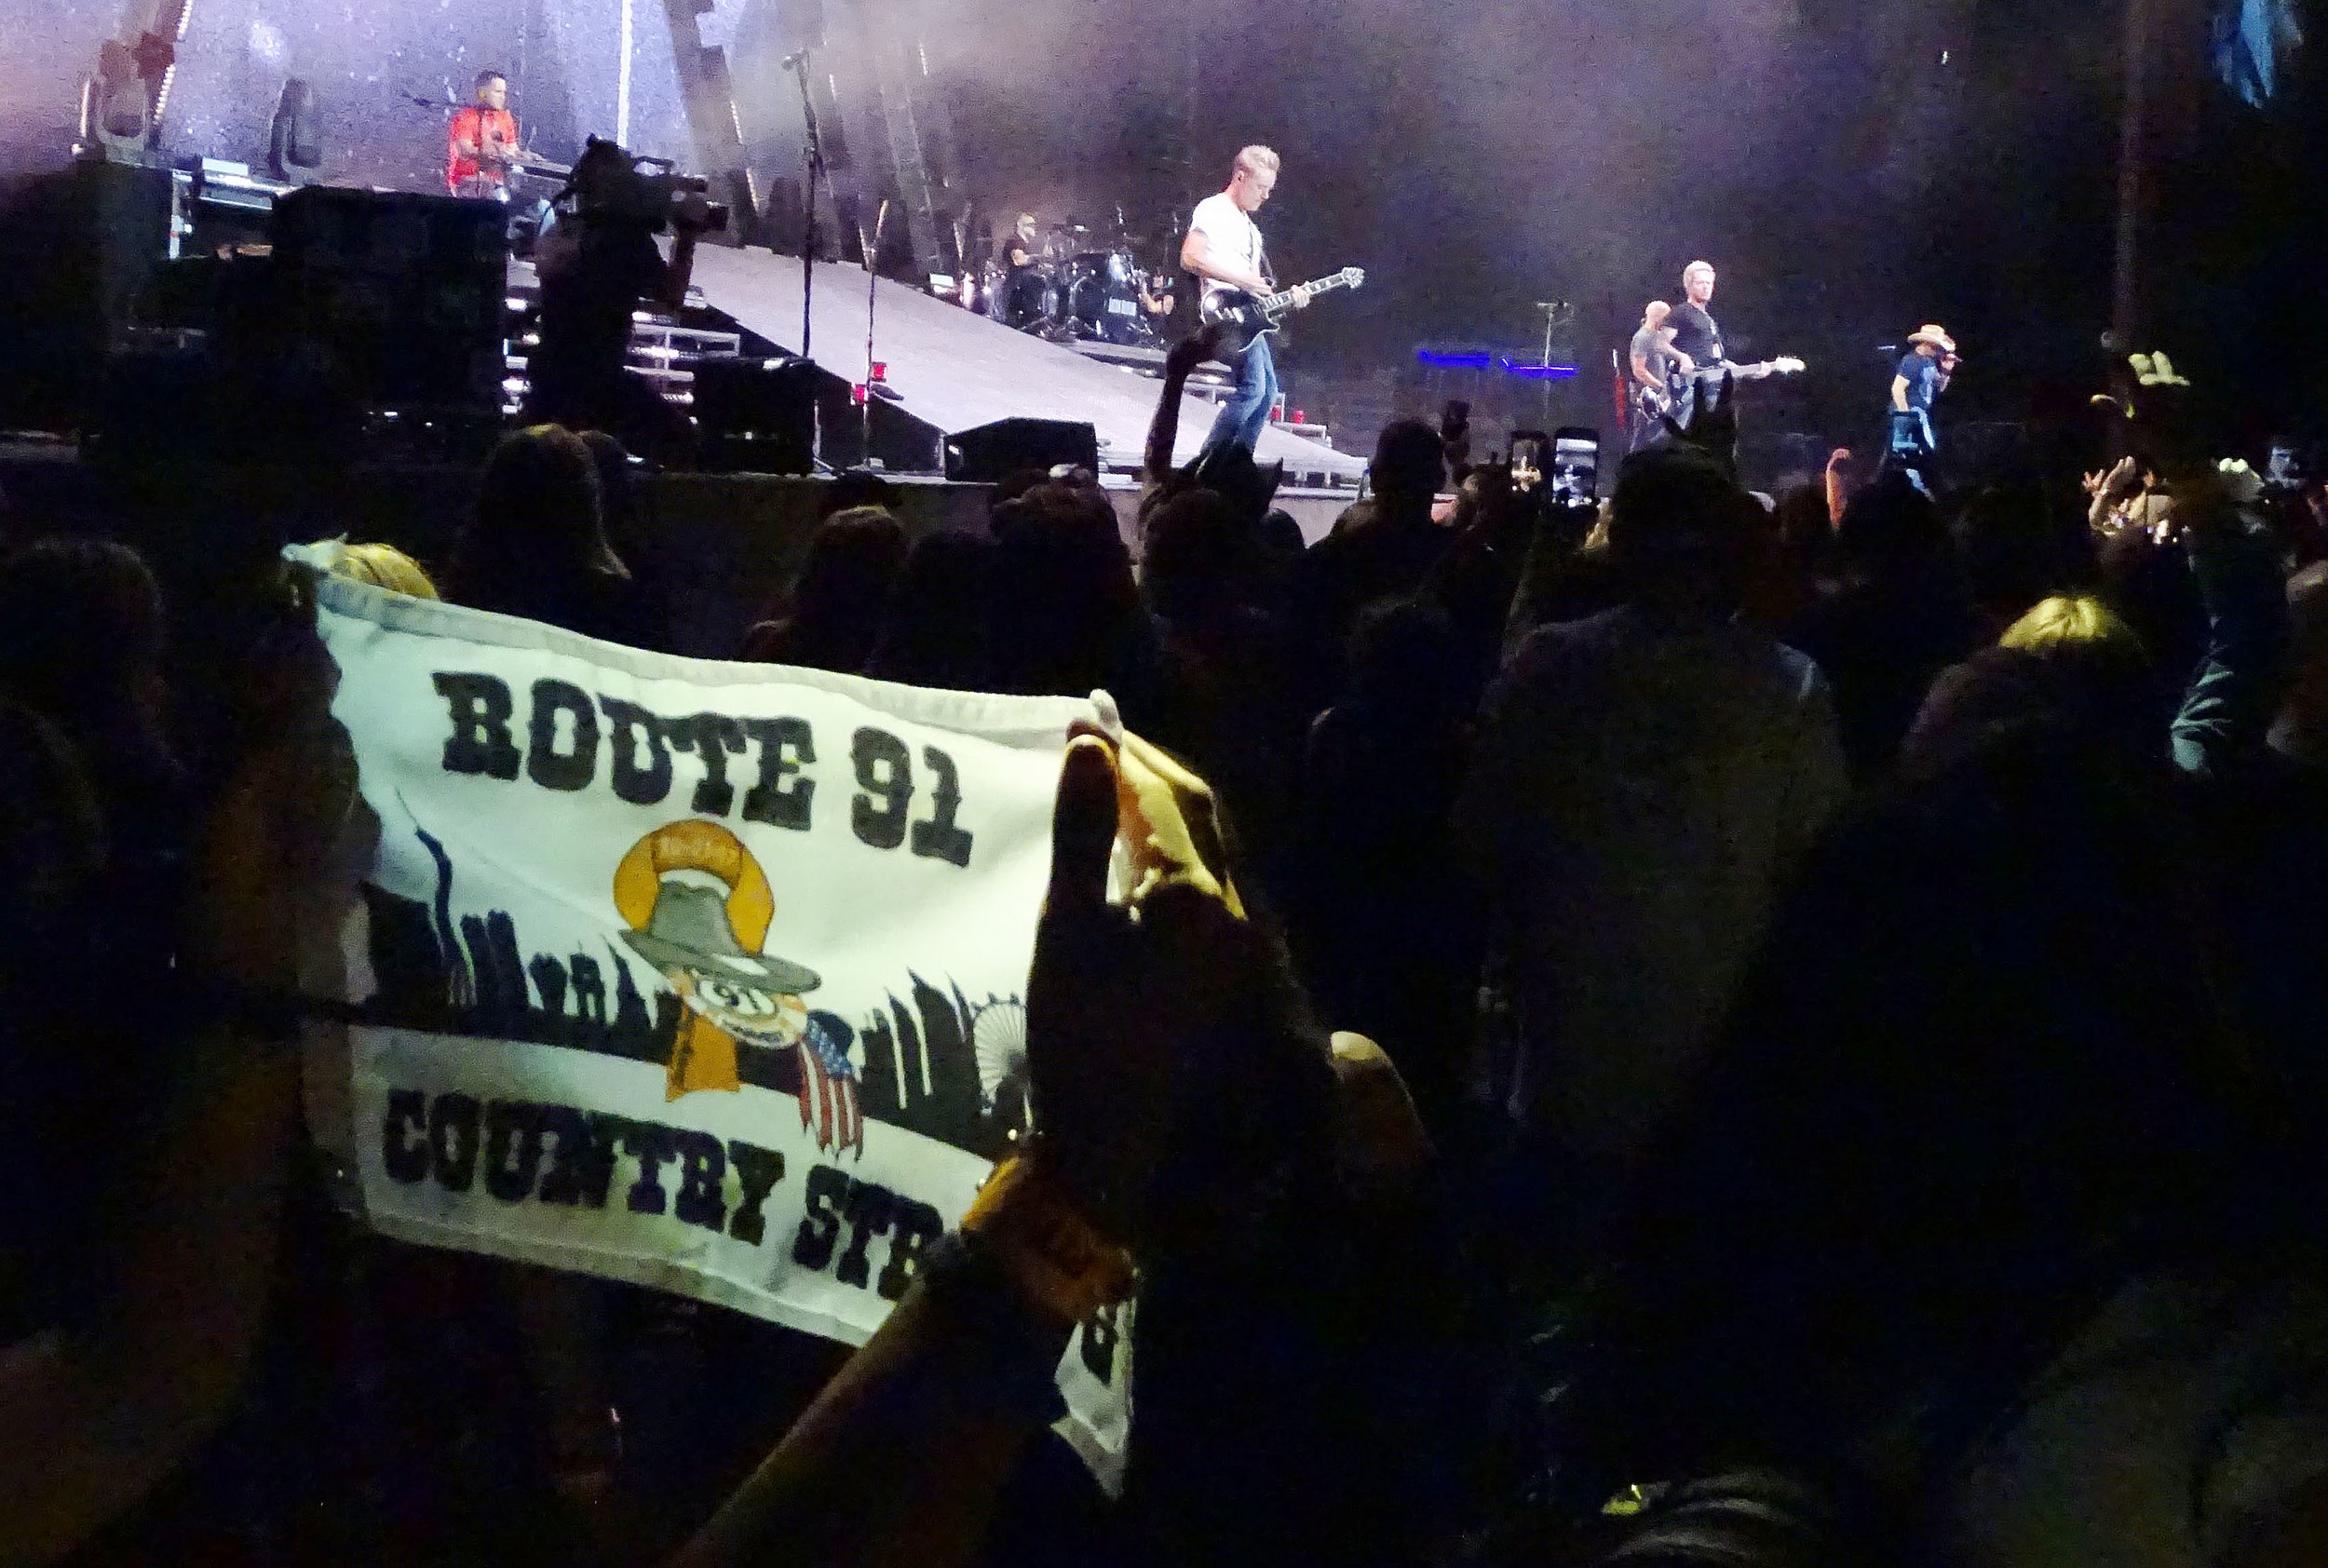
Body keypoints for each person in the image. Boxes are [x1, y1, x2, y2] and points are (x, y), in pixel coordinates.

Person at [1463, 444, 1848, 1237]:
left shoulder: (1549, 667)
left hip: (1563, 1066)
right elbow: (1819, 886)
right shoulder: (1790, 687)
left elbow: (1478, 842)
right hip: (1718, 1080)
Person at [524, 137, 709, 456]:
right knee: (687, 446)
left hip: (550, 387)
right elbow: (672, 295)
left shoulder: (565, 231)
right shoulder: (623, 241)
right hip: (599, 387)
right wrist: (688, 234)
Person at [1181, 145, 1309, 456]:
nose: (1265, 196)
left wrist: (1290, 299)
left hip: (1245, 314)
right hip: (1222, 310)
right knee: (1253, 390)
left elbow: (1258, 293)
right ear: (1240, 177)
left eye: (1270, 189)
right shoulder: (1213, 209)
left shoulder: (1252, 231)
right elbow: (1189, 257)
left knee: (1268, 395)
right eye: (1261, 187)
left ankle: (1238, 461)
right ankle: (1208, 462)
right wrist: (1239, 280)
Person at [1888, 323, 1958, 475]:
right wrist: (1906, 414)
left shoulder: (1929, 363)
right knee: (1915, 452)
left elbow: (1938, 388)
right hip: (1910, 411)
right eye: (1937, 347)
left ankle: (1914, 484)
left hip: (1920, 413)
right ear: (1929, 344)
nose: (1939, 351)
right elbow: (1897, 388)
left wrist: (1946, 372)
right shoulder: (1912, 360)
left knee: (1917, 454)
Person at [447, 69, 523, 200]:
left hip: (498, 183)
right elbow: (464, 150)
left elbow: (513, 150)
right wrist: (496, 154)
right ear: (482, 94)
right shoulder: (466, 117)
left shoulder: (506, 118)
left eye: (504, 93)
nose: (502, 97)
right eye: (498, 92)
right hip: (468, 182)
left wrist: (529, 157)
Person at [1627, 300, 1693, 452]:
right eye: (1667, 318)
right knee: (1641, 441)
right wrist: (1661, 386)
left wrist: (1682, 357)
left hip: (1659, 399)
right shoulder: (1642, 338)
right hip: (1646, 399)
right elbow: (1639, 370)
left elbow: (1667, 351)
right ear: (1658, 317)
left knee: (1655, 438)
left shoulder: (1656, 337)